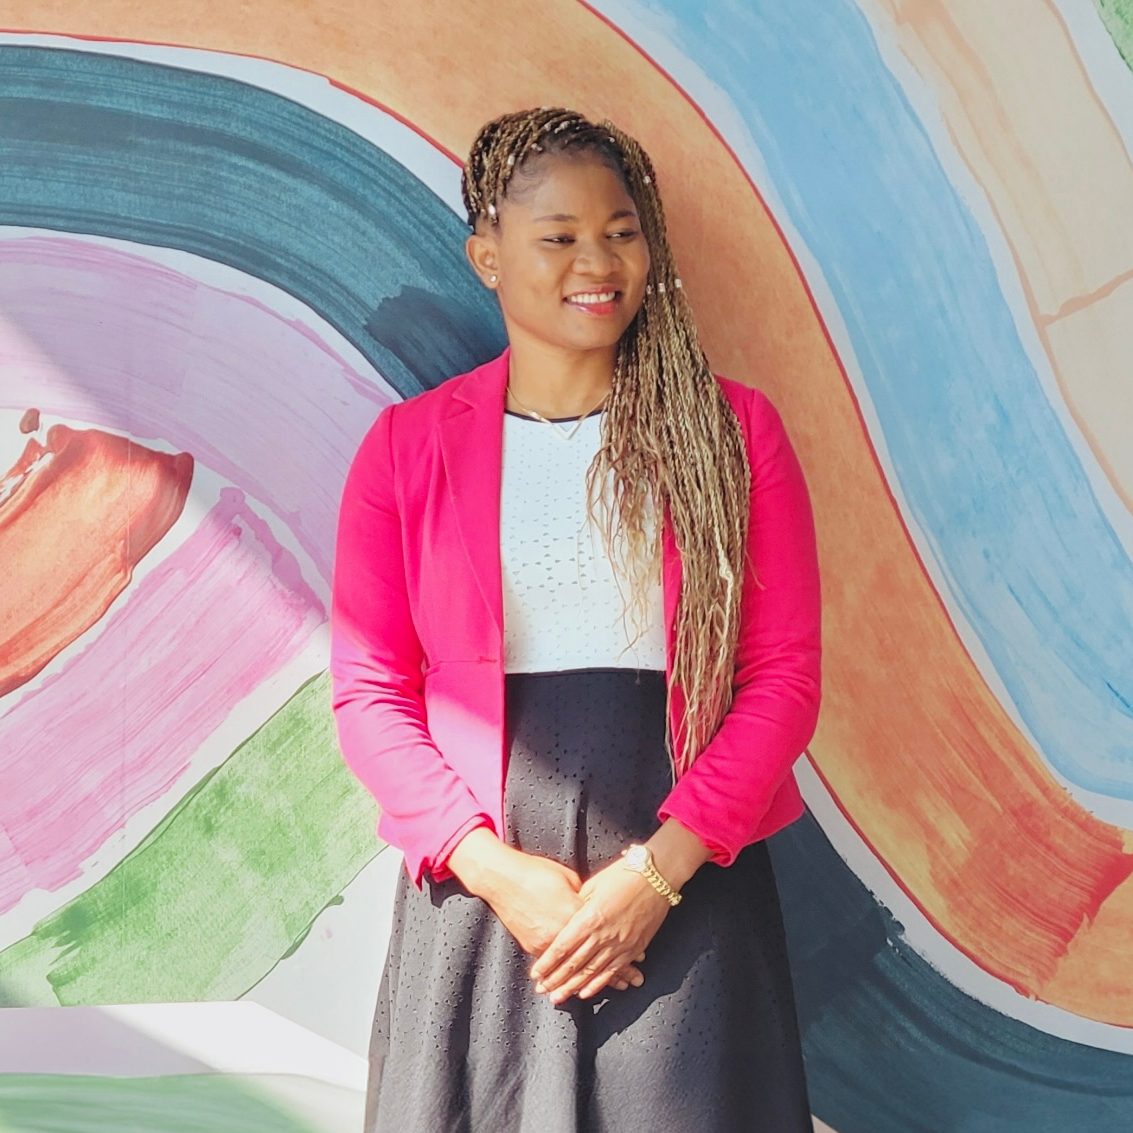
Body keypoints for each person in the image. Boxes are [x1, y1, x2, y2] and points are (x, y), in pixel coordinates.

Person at [330, 106, 822, 1133]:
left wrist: (656, 872)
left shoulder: (734, 433)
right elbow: (368, 692)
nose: (596, 261)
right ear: (488, 255)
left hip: (690, 884)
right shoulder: (404, 448)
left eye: (621, 229)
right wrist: (496, 872)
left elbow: (781, 678)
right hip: (483, 898)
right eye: (557, 236)